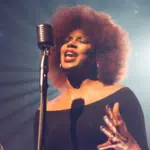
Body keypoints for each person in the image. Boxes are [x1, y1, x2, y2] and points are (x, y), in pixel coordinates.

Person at [34, 5, 149, 150]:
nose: (71, 44)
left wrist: (130, 146)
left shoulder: (121, 96)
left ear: (97, 55)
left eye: (82, 41)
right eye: (67, 40)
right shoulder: (44, 111)